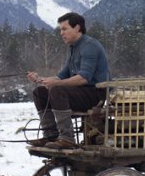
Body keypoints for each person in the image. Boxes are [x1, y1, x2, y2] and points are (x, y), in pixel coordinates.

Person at [27, 12, 110, 149]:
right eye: (60, 29)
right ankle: (50, 135)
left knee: (58, 90)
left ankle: (67, 138)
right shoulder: (74, 48)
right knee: (39, 92)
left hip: (96, 95)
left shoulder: (90, 46)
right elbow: (60, 77)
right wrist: (39, 79)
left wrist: (56, 84)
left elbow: (83, 78)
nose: (61, 33)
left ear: (77, 28)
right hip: (80, 93)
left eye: (64, 29)